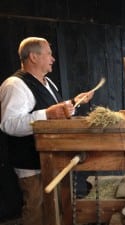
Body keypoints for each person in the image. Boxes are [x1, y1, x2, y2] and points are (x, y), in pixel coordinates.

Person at [0, 37, 94, 225]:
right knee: (36, 213)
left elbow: (56, 112)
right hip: (31, 164)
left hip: (53, 159)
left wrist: (74, 102)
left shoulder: (48, 83)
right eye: (49, 54)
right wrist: (46, 115)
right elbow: (8, 124)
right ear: (34, 57)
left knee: (55, 212)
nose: (53, 58)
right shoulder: (14, 85)